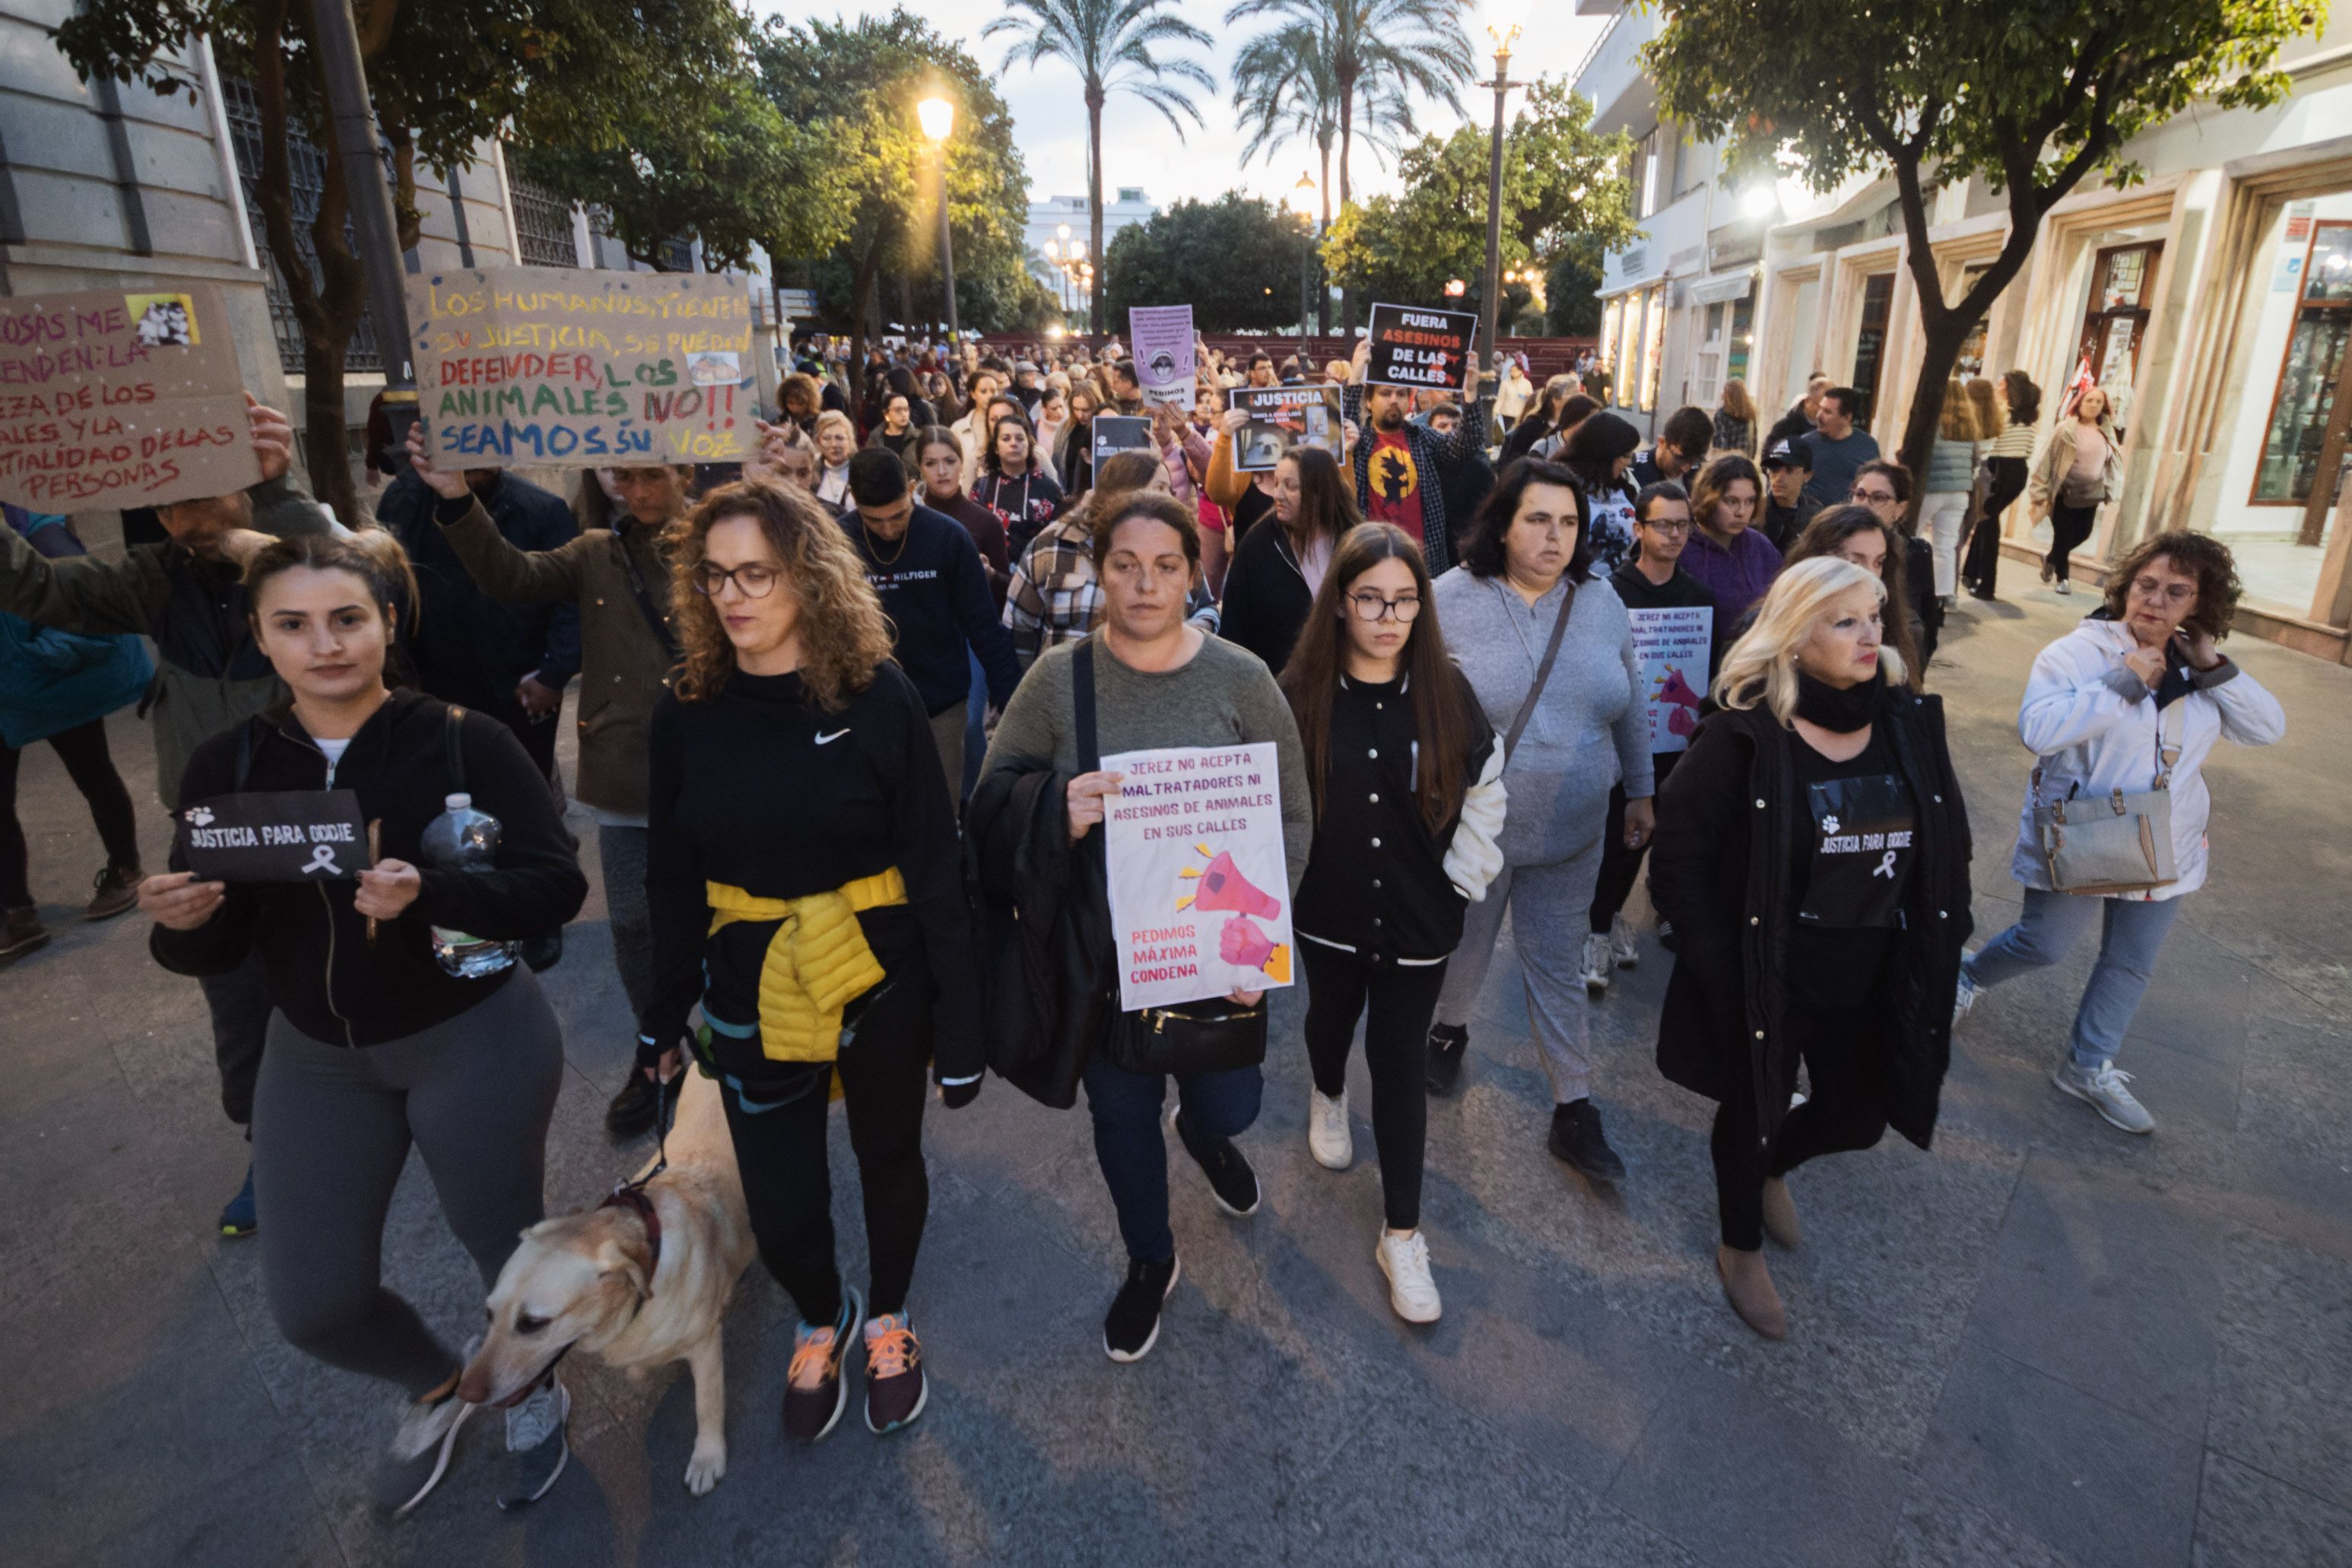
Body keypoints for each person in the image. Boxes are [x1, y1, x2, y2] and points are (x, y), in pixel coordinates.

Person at [141, 530, 588, 1509]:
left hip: (473, 1035)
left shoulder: (467, 739)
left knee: (508, 1253)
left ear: (387, 622)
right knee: (314, 1305)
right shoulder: (229, 764)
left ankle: (529, 1381)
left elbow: (556, 886)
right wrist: (185, 925)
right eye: (294, 624)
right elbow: (218, 949)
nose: (325, 645)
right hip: (315, 1056)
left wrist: (432, 891)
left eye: (347, 618)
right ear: (261, 637)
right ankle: (440, 1382)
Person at [642, 478, 981, 1442]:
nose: (733, 595)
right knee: (780, 1188)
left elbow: (936, 865)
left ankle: (889, 1317)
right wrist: (659, 1015)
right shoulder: (685, 710)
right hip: (749, 981)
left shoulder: (879, 695)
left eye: (757, 572)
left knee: (888, 1157)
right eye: (715, 576)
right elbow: (672, 875)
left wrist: (961, 1028)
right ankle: (820, 1312)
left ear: (810, 576)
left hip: (881, 975)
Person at [977, 491, 1311, 1363]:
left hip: (1221, 958)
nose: (1145, 584)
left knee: (1230, 1103)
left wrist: (1265, 945)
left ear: (1193, 574)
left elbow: (1291, 814)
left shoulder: (1242, 678)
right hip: (1104, 963)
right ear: (1099, 570)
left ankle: (1202, 1133)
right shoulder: (1061, 681)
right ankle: (1150, 1257)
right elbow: (989, 799)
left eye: (1166, 566)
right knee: (1122, 1119)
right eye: (1125, 565)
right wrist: (1057, 808)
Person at [0, 397, 327, 1235]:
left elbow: (336, 571)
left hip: (319, 813)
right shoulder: (151, 576)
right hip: (213, 827)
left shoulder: (293, 552)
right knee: (239, 997)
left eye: (204, 496)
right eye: (169, 505)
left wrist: (276, 490)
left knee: (344, 971)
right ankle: (270, 1146)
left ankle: (377, 1115)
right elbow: (38, 587)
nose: (188, 520)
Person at [1649, 556, 1972, 1339]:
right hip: (1770, 970)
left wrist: (1946, 930)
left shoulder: (1905, 722)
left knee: (1859, 1118)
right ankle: (1739, 1242)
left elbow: (1947, 834)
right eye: (1845, 620)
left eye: (1874, 616)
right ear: (1794, 637)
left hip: (1872, 965)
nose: (1870, 634)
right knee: (1753, 1107)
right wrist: (1722, 968)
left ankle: (1774, 1167)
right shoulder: (1743, 737)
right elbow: (1678, 861)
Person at [411, 430, 690, 1142]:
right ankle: (656, 1051)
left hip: (717, 770)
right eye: (625, 476)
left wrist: (769, 487)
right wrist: (457, 499)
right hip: (627, 771)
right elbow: (510, 576)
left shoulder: (720, 543)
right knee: (632, 922)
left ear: (685, 472)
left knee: (732, 921)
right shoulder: (596, 552)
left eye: (652, 475)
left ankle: (735, 1050)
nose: (637, 490)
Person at [1954, 532, 2283, 1135]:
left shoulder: (2196, 665)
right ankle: (1967, 975)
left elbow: (2265, 730)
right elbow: (2038, 730)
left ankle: (2086, 1066)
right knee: (2044, 944)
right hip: (2088, 830)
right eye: (2145, 585)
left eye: (2176, 592)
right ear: (2125, 587)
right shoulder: (2077, 653)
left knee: (2130, 962)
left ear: (2200, 603)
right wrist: (2121, 682)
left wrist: (2212, 666)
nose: (2155, 601)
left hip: (2168, 837)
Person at [1281, 523, 1505, 1324]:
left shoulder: (1447, 689)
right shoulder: (1297, 693)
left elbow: (1486, 786)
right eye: (1371, 599)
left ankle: (1402, 1233)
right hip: (1326, 911)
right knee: (1329, 1018)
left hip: (1419, 917)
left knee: (1400, 1061)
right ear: (1340, 602)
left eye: (1405, 601)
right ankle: (1327, 1091)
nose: (1388, 617)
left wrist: (1460, 884)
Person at [1424, 461, 1652, 1184]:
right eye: (1538, 519)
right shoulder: (1446, 599)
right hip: (1476, 833)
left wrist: (1641, 791)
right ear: (1502, 524)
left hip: (1572, 835)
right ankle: (1447, 1029)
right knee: (1464, 946)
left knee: (1556, 965)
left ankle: (1572, 1106)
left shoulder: (1602, 601)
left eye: (1569, 522)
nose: (1556, 537)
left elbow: (1632, 701)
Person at [373, 462, 580, 796]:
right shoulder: (403, 499)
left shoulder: (541, 508)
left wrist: (552, 674)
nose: (470, 468)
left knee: (520, 795)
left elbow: (571, 599)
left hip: (516, 690)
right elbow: (385, 582)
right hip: (430, 687)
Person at [0, 508, 151, 954]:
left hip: (52, 686)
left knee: (93, 771)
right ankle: (17, 911)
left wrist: (33, 661)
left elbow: (94, 613)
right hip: (11, 691)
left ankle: (125, 868)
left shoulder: (40, 532)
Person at [1584, 481, 1715, 995]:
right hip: (1612, 743)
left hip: (1672, 745)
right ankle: (1595, 929)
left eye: (1683, 525)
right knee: (1610, 835)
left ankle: (1613, 914)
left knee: (1644, 834)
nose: (1675, 534)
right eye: (1663, 524)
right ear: (1638, 528)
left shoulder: (1699, 598)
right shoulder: (1608, 594)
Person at [840, 451, 1020, 798]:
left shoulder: (948, 537)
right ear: (854, 500)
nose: (888, 529)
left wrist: (1011, 697)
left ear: (912, 490)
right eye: (874, 521)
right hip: (864, 703)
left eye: (898, 515)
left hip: (941, 703)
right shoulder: (838, 543)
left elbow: (983, 625)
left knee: (940, 807)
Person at [1001, 450, 1163, 670]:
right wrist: (1030, 686)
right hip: (1064, 686)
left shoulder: (1172, 548)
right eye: (1160, 488)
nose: (1169, 499)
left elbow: (1204, 610)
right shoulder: (1054, 545)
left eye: (1170, 490)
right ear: (1124, 491)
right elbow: (1018, 628)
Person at [1341, 336, 1488, 573]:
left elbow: (1467, 446)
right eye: (1385, 393)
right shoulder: (1359, 442)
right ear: (1368, 402)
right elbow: (1341, 432)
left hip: (1423, 563)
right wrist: (1355, 380)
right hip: (1370, 559)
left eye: (1401, 394)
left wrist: (1470, 393)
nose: (1394, 400)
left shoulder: (1423, 438)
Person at [1220, 446, 1366, 674]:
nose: (1277, 495)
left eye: (1290, 486)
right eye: (1277, 483)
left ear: (1319, 491)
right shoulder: (1258, 545)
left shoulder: (1355, 543)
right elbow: (1233, 630)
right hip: (1277, 684)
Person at [1782, 506, 1928, 688]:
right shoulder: (1778, 627)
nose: (1870, 574)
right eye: (1854, 562)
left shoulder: (1904, 626)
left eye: (1879, 562)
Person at [2027, 384, 2119, 595]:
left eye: (2099, 402)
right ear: (2079, 403)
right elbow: (2047, 459)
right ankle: (2063, 579)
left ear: (2104, 406)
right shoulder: (2066, 429)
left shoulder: (2107, 432)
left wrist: (2113, 487)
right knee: (2063, 535)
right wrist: (2039, 489)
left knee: (2083, 533)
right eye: (2089, 400)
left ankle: (2051, 558)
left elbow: (2112, 462)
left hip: (2092, 493)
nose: (2093, 405)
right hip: (2065, 491)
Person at [1847, 460, 1942, 664]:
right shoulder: (1831, 543)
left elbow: (1927, 629)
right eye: (1860, 494)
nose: (1864, 504)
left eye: (1879, 498)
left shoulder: (1915, 555)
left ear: (1900, 509)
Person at [1677, 454, 1781, 625]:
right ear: (1708, 498)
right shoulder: (1680, 547)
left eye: (1750, 501)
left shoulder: (1761, 547)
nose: (1741, 512)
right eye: (1731, 501)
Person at [914, 427, 1011, 611]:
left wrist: (990, 574)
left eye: (950, 461)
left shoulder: (987, 522)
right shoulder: (907, 519)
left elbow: (1007, 590)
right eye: (931, 463)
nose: (942, 471)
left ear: (961, 463)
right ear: (920, 468)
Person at [1960, 372, 2036, 601]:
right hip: (2018, 471)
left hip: (1997, 470)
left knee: (1988, 523)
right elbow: (2029, 450)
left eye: (2001, 384)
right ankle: (1971, 573)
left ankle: (1987, 584)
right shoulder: (2029, 419)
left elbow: (1988, 443)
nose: (1996, 387)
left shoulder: (2002, 413)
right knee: (1986, 520)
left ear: (2010, 389)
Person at [1919, 379, 1985, 605]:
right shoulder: (1968, 427)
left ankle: (1910, 587)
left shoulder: (1931, 422)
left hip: (1931, 489)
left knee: (1912, 537)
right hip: (1959, 492)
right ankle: (1944, 595)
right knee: (1946, 546)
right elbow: (1977, 460)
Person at [1559, 411, 1644, 574]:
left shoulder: (1625, 485)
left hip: (1620, 580)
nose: (1628, 462)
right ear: (1604, 453)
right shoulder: (1564, 485)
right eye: (1625, 455)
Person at [972, 414, 1066, 561]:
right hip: (991, 571)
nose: (1014, 443)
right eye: (1006, 439)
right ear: (996, 448)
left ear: (1029, 445)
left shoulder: (1048, 489)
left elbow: (1059, 538)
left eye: (1020, 438)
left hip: (1036, 569)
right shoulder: (981, 487)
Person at [1424, 402, 1497, 540]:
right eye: (1442, 426)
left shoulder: (1479, 469)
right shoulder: (1423, 469)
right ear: (1430, 431)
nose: (1450, 431)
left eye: (1456, 426)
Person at [1798, 387, 1880, 507]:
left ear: (1847, 417)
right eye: (1820, 409)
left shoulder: (1868, 447)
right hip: (1809, 515)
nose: (1819, 416)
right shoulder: (1805, 444)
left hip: (1848, 516)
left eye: (1827, 412)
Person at [1757, 438, 1820, 552]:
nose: (1779, 478)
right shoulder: (1755, 511)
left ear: (1807, 475)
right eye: (1774, 470)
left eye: (1789, 470)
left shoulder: (1816, 517)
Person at [1631, 405, 1713, 489]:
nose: (1686, 469)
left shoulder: (1700, 475)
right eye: (1680, 459)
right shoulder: (1634, 471)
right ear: (1662, 442)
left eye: (1694, 462)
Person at [952, 368, 1006, 490]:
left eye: (994, 391)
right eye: (983, 391)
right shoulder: (959, 427)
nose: (990, 396)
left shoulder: (1008, 423)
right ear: (973, 394)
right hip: (967, 488)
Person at [1766, 373, 1832, 451]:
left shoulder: (1833, 432)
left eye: (1829, 411)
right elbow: (1769, 453)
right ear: (1808, 401)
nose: (1823, 413)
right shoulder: (1786, 427)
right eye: (1820, 407)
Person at [868, 392, 924, 468]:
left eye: (906, 410)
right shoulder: (875, 437)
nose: (904, 414)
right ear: (886, 413)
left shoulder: (919, 437)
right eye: (898, 410)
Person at [813, 411, 857, 509]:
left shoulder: (861, 470)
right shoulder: (811, 471)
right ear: (819, 441)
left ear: (850, 441)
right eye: (826, 438)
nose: (834, 444)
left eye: (840, 438)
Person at [1033, 386, 1073, 484]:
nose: (1059, 412)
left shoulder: (1072, 424)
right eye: (1054, 409)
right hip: (1044, 480)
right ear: (1045, 408)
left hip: (1068, 478)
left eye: (1061, 406)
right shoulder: (1036, 426)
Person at [1713, 379, 1759, 457]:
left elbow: (1720, 446)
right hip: (1745, 461)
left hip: (1727, 461)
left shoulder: (1721, 415)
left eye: (1725, 392)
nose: (1723, 395)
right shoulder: (1751, 415)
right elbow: (1753, 444)